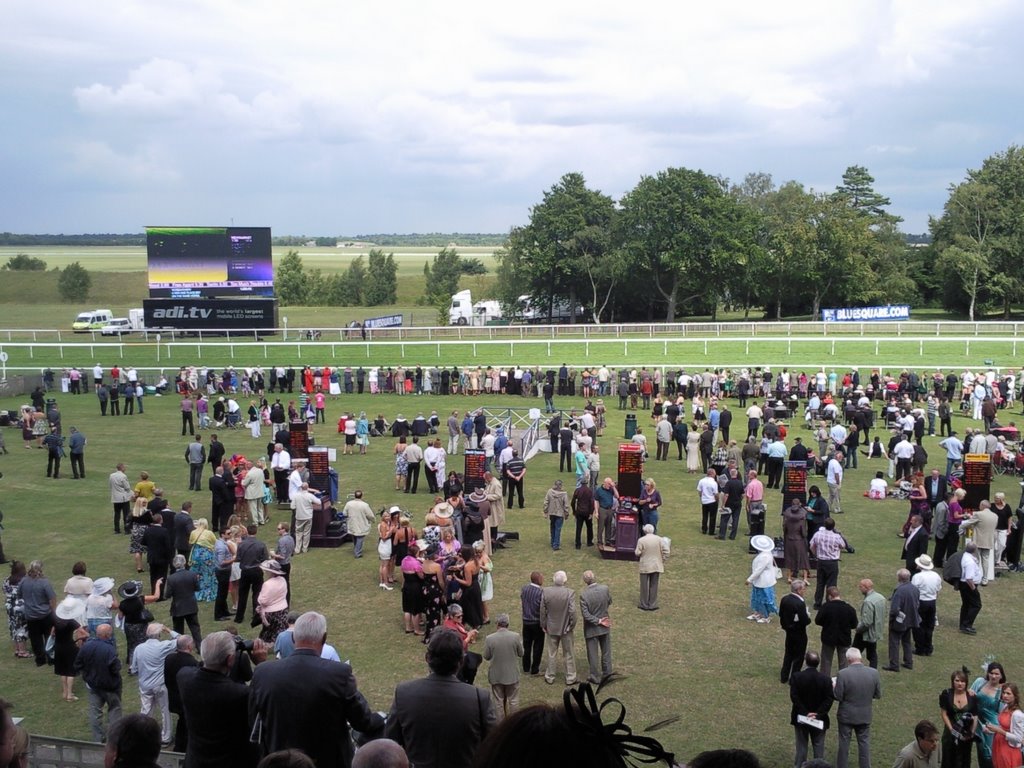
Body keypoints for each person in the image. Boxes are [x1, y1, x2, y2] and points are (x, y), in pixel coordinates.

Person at [250, 612, 384, 768]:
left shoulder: (263, 672)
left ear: (294, 639)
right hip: (328, 761)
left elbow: (254, 721)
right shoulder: (339, 674)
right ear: (324, 638)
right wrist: (381, 718)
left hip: (280, 761)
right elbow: (363, 721)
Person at [385, 628, 494, 767]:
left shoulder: (404, 693)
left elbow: (390, 741)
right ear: (461, 661)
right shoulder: (479, 698)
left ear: (427, 658)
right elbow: (494, 744)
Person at [177, 631, 263, 768]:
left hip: (196, 760)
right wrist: (261, 665)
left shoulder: (184, 678)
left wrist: (211, 656)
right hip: (231, 761)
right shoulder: (240, 694)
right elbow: (263, 697)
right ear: (230, 660)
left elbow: (196, 670)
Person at [130, 622, 181, 745]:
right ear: (159, 634)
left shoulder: (139, 648)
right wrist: (168, 630)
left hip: (144, 685)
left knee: (146, 711)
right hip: (160, 684)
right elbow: (182, 640)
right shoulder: (164, 646)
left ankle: (142, 735)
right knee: (165, 710)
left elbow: (133, 669)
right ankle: (166, 737)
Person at [834, 647, 882, 768]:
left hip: (846, 715)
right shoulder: (874, 673)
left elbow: (838, 696)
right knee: (864, 744)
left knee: (844, 744)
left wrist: (834, 686)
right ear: (860, 658)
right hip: (864, 715)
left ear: (848, 659)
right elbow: (878, 694)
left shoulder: (842, 674)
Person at [790, 651, 834, 768]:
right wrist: (818, 714)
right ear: (818, 663)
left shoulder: (797, 677)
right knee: (819, 749)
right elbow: (829, 699)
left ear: (806, 661)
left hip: (801, 718)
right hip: (819, 719)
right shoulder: (825, 680)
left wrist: (805, 713)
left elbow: (795, 697)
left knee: (801, 749)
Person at [483, 613, 523, 722]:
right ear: (508, 624)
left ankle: (500, 724)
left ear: (497, 624)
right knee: (513, 700)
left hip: (496, 676)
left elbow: (486, 656)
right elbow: (521, 653)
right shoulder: (516, 636)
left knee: (498, 702)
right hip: (512, 675)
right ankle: (514, 722)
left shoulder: (489, 639)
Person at [540, 570, 577, 686]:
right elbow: (573, 612)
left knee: (551, 653)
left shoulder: (546, 592)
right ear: (565, 580)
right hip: (566, 628)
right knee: (569, 653)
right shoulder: (569, 593)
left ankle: (550, 676)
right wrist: (571, 626)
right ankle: (570, 677)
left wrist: (543, 625)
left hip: (551, 627)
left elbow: (542, 611)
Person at [163, 635, 198, 753]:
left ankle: (179, 746)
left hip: (173, 698)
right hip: (186, 700)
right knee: (187, 724)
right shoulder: (192, 662)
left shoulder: (169, 658)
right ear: (189, 646)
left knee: (182, 722)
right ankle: (183, 747)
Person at [939, 668, 979, 768]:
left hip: (966, 734)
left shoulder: (971, 696)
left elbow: (975, 715)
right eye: (957, 681)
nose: (960, 684)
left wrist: (972, 732)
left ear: (966, 683)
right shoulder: (947, 694)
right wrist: (952, 730)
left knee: (964, 760)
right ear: (952, 682)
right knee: (948, 760)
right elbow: (944, 714)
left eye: (962, 681)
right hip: (950, 733)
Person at [815, 586, 858, 678]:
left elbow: (818, 621)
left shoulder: (826, 607)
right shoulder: (849, 608)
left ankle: (824, 680)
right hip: (844, 639)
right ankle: (844, 680)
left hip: (828, 638)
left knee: (826, 661)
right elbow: (854, 624)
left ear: (830, 596)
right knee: (844, 662)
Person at [883, 568, 920, 673]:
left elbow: (894, 609)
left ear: (899, 578)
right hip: (911, 620)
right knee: (906, 641)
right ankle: (909, 662)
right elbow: (917, 604)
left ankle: (894, 664)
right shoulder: (915, 589)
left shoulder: (899, 591)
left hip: (899, 622)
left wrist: (893, 617)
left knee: (894, 642)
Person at [579, 570, 612, 685]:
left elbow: (586, 614)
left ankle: (595, 676)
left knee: (592, 654)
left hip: (591, 628)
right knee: (606, 651)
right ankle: (607, 673)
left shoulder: (584, 595)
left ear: (585, 581)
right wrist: (602, 619)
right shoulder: (605, 589)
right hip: (605, 623)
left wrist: (597, 621)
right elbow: (609, 601)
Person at [21, 559, 56, 667]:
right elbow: (52, 598)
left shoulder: (23, 581)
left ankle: (40, 660)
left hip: (31, 615)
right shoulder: (44, 582)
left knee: (35, 639)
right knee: (49, 636)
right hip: (45, 614)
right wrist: (54, 612)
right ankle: (51, 658)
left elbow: (19, 594)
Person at [972, 661, 1006, 767]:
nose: (993, 676)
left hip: (991, 728)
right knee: (981, 753)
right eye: (991, 673)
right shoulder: (980, 682)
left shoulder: (1002, 691)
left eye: (996, 674)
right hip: (978, 725)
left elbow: (1002, 713)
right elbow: (970, 695)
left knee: (990, 756)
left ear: (1001, 676)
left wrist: (995, 728)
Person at [52, 596, 85, 702]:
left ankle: (65, 692)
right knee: (71, 671)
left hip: (58, 646)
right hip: (70, 646)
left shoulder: (56, 619)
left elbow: (52, 633)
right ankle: (70, 694)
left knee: (62, 670)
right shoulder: (71, 622)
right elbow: (83, 632)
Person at [164, 555, 202, 648]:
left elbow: (167, 595)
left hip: (178, 607)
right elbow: (197, 588)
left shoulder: (171, 578)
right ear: (184, 563)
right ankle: (199, 646)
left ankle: (180, 647)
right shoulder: (192, 574)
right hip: (191, 605)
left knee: (178, 630)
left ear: (174, 564)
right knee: (195, 629)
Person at [809, 518, 846, 610]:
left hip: (821, 561)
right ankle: (829, 602)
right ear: (833, 526)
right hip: (832, 562)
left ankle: (817, 603)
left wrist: (816, 554)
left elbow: (812, 545)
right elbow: (843, 546)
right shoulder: (836, 537)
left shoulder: (818, 534)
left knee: (820, 582)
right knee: (831, 583)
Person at [984, 683, 1024, 768]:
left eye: (1008, 693)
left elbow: (1018, 738)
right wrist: (991, 730)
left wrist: (999, 731)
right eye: (1004, 693)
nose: (1005, 695)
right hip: (998, 745)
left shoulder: (1017, 714)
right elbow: (1003, 727)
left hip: (1009, 749)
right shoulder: (1005, 707)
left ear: (1015, 696)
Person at [779, 580, 811, 685]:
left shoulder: (784, 599)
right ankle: (794, 678)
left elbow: (781, 614)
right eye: (803, 589)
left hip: (789, 631)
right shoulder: (800, 603)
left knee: (788, 653)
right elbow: (804, 620)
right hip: (799, 632)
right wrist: (808, 618)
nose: (804, 591)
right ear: (798, 590)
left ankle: (784, 676)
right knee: (798, 656)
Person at [910, 555, 942, 658]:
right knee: (929, 625)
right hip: (932, 602)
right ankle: (928, 647)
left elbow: (913, 591)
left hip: (921, 602)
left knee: (918, 625)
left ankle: (920, 648)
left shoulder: (917, 577)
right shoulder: (936, 575)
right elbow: (938, 589)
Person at [854, 578, 886, 669]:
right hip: (875, 631)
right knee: (872, 654)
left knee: (855, 653)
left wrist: (858, 629)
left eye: (861, 587)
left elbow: (867, 622)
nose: (859, 588)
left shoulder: (868, 601)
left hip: (866, 633)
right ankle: (873, 672)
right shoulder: (880, 598)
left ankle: (854, 671)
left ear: (866, 587)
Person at [746, 535, 778, 624]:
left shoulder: (765, 556)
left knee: (765, 598)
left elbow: (759, 570)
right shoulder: (766, 554)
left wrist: (749, 579)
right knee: (757, 597)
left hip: (764, 581)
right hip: (760, 581)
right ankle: (758, 613)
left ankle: (766, 616)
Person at [256, 560, 289, 643]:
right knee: (281, 629)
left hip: (271, 613)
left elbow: (263, 601)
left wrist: (259, 596)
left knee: (268, 631)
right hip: (283, 609)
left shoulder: (267, 584)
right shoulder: (283, 580)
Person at [635, 524, 666, 611]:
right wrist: (663, 559)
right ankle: (652, 604)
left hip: (645, 565)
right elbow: (666, 550)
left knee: (644, 585)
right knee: (654, 584)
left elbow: (637, 552)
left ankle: (644, 604)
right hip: (656, 565)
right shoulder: (660, 539)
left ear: (645, 531)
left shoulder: (641, 540)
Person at [520, 572, 544, 677]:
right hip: (536, 622)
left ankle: (526, 667)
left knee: (527, 645)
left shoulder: (524, 589)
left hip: (526, 621)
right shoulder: (540, 592)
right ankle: (535, 669)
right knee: (538, 646)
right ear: (537, 579)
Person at [958, 541, 983, 635]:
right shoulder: (970, 562)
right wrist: (973, 589)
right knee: (976, 605)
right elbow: (969, 578)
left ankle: (963, 625)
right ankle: (967, 625)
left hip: (965, 585)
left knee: (966, 604)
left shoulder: (966, 556)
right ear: (975, 550)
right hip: (968, 585)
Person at [343, 490, 376, 559]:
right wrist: (373, 520)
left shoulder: (349, 504)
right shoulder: (364, 505)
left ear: (354, 495)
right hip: (361, 523)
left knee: (354, 536)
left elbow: (344, 513)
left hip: (352, 523)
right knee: (360, 538)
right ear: (361, 496)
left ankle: (356, 550)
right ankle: (357, 553)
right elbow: (370, 515)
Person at [543, 479, 569, 551]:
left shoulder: (550, 492)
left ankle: (552, 542)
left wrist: (545, 511)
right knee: (558, 529)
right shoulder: (564, 494)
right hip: (560, 514)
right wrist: (566, 513)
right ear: (560, 485)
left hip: (552, 512)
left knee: (552, 527)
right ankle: (556, 544)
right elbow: (566, 505)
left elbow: (546, 502)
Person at [110, 463, 133, 534]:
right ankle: (127, 529)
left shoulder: (111, 475)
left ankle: (116, 529)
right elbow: (127, 487)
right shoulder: (123, 476)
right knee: (126, 514)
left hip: (115, 498)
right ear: (122, 468)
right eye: (124, 467)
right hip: (123, 498)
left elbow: (110, 485)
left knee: (117, 514)